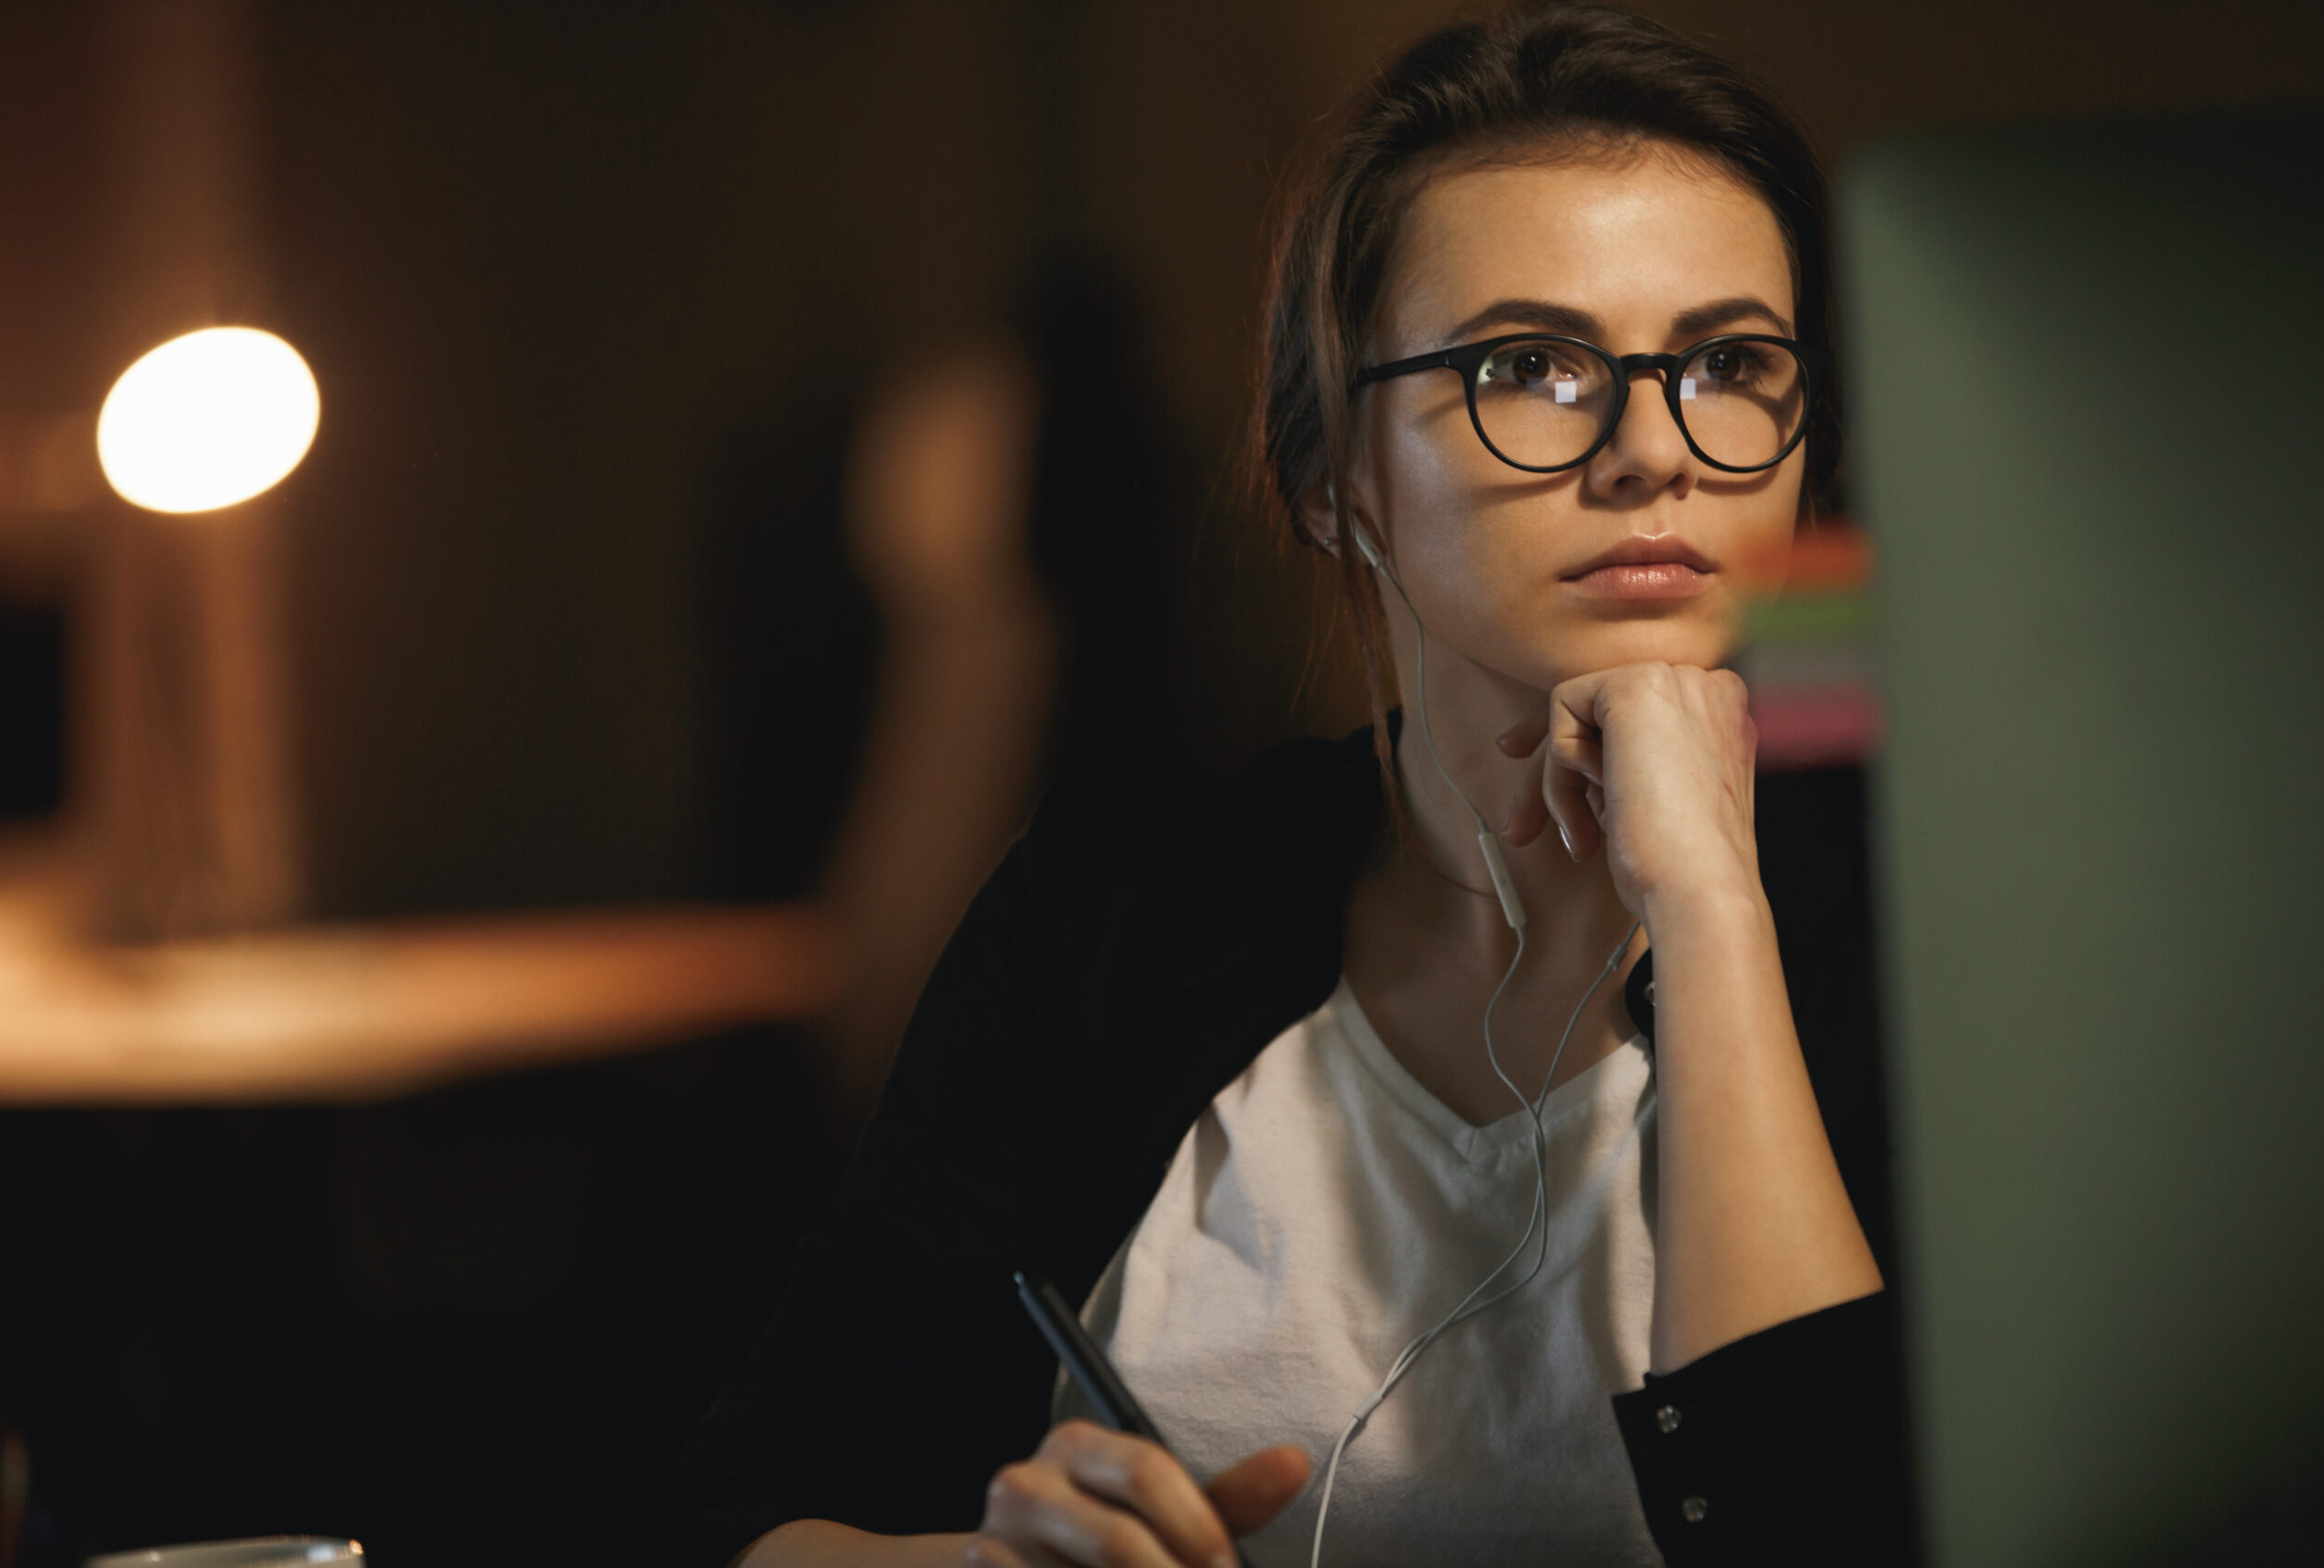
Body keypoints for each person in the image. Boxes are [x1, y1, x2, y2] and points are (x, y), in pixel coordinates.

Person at [660, 6, 1912, 1564]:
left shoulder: (1938, 931)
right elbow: (740, 1516)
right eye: (1530, 363)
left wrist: (1714, 915)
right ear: (1330, 479)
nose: (1655, 447)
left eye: (1731, 362)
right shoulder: (1109, 922)